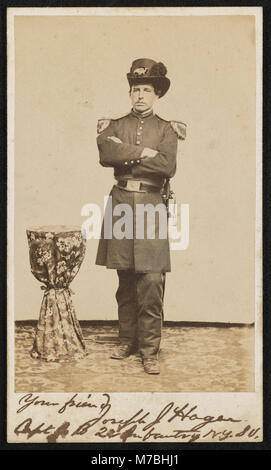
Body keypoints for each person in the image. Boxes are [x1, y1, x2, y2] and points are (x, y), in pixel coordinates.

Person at [96, 58, 186, 374]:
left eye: (146, 89)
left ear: (156, 93)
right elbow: (106, 154)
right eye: (135, 89)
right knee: (124, 276)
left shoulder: (167, 129)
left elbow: (167, 166)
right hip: (121, 201)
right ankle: (127, 340)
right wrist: (144, 153)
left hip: (150, 203)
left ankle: (150, 350)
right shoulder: (114, 125)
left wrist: (129, 156)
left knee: (151, 279)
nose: (140, 95)